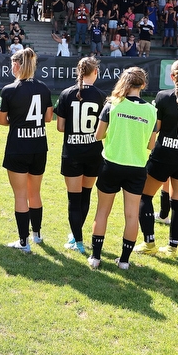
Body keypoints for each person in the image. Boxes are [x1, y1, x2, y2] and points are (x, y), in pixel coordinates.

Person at [133, 60, 178, 257]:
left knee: (144, 196)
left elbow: (155, 128)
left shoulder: (163, 96)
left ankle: (149, 242)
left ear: (172, 76)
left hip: (164, 155)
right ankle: (172, 247)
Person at [88, 67, 158, 270]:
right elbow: (151, 145)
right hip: (136, 168)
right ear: (143, 85)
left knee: (102, 212)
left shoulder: (112, 105)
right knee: (131, 215)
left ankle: (95, 257)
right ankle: (125, 261)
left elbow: (98, 135)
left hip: (111, 164)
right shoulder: (151, 111)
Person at [0, 48, 54, 252]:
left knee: (21, 195)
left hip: (18, 147)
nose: (11, 67)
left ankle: (24, 242)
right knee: (35, 193)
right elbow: (48, 118)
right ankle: (37, 235)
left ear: (18, 65)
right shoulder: (44, 88)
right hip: (39, 146)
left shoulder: (9, 90)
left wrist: (17, 121)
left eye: (12, 64)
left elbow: (1, 120)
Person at [55, 56, 106, 255]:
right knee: (85, 195)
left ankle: (77, 239)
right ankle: (76, 236)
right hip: (94, 152)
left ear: (78, 72)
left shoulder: (67, 93)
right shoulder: (102, 96)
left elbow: (60, 127)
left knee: (73, 198)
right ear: (96, 72)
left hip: (72, 152)